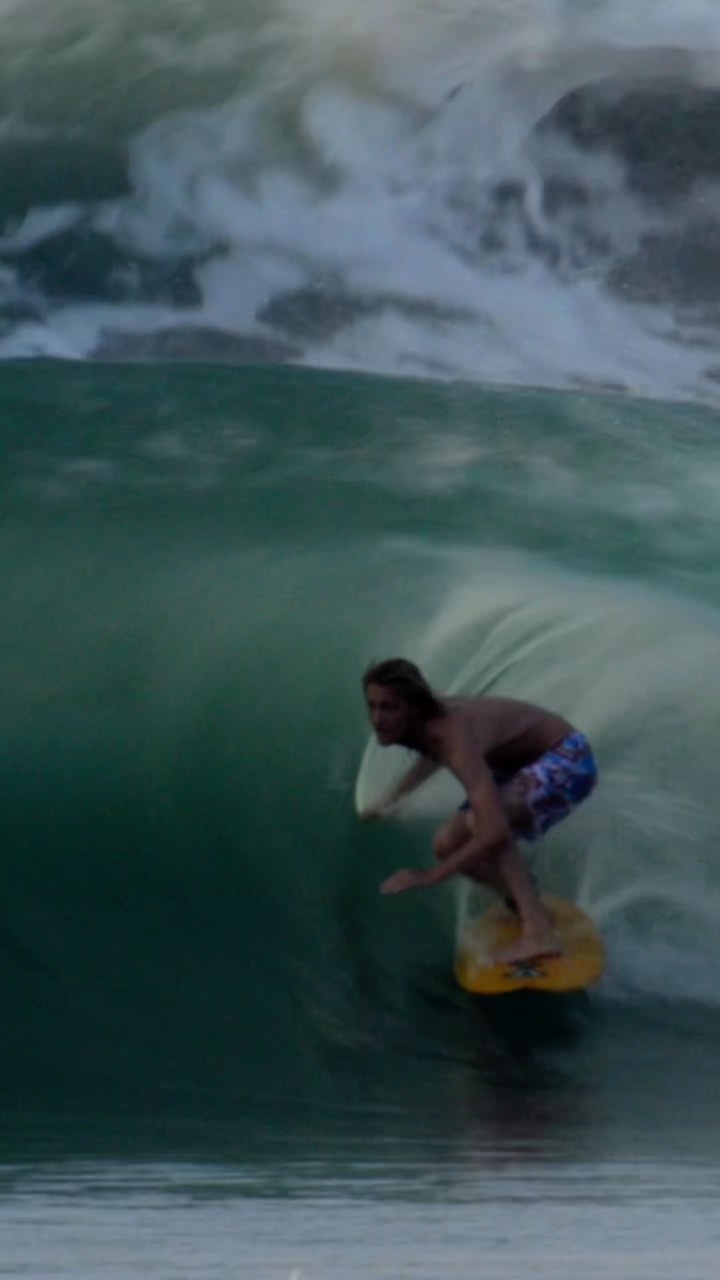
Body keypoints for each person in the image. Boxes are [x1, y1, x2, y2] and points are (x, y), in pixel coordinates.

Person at [360, 658, 598, 965]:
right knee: (446, 845)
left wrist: (430, 877)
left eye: (388, 707)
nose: (377, 718)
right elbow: (431, 751)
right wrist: (393, 798)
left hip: (569, 758)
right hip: (522, 767)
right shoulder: (424, 723)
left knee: (483, 822)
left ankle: (538, 934)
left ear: (413, 708)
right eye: (372, 706)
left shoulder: (454, 738)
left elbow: (494, 830)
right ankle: (527, 905)